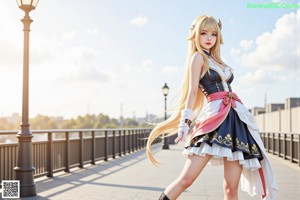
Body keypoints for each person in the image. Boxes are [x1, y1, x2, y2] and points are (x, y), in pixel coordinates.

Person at [146, 15, 278, 200]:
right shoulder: (197, 58)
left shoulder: (219, 61)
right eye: (204, 33)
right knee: (186, 180)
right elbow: (192, 91)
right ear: (194, 35)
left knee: (231, 188)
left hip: (235, 120)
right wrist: (185, 122)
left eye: (213, 34)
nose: (209, 38)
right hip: (214, 120)